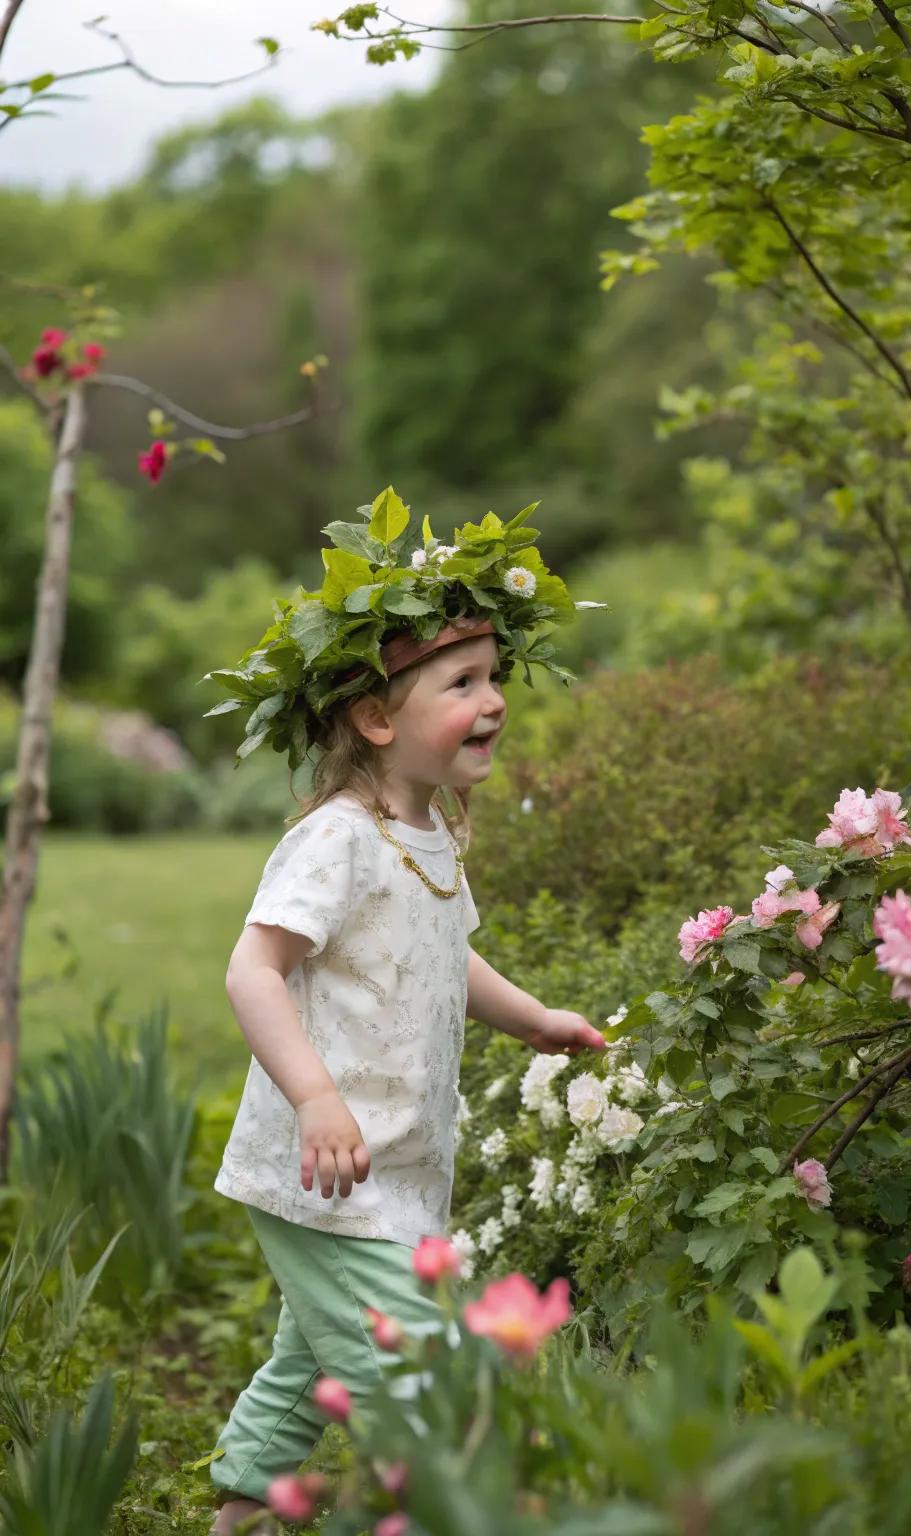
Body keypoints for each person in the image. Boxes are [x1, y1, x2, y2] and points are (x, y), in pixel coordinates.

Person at [203, 492, 607, 1533]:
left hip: (400, 1164)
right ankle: (447, 1503)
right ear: (377, 718)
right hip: (325, 1167)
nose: (493, 700)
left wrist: (531, 1018)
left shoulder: (429, 836)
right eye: (461, 682)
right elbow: (253, 970)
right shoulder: (337, 840)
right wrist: (316, 1097)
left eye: (494, 679)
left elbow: (444, 957)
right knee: (408, 1369)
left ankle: (247, 1495)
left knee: (313, 1353)